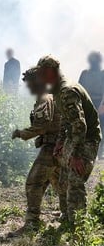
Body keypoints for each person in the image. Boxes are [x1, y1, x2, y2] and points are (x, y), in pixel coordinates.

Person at [37, 55, 101, 226]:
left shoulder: (66, 92)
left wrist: (77, 155)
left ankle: (78, 227)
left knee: (74, 179)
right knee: (63, 178)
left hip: (87, 139)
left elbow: (80, 125)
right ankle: (66, 217)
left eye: (42, 73)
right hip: (75, 137)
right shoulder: (59, 91)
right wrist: (60, 142)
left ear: (51, 72)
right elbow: (67, 121)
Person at [11, 67, 62, 230]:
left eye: (30, 83)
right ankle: (69, 216)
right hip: (58, 146)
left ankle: (32, 222)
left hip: (51, 148)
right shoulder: (49, 97)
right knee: (59, 183)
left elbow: (42, 125)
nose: (28, 87)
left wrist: (21, 133)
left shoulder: (44, 99)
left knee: (34, 183)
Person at [78, 51, 104, 158]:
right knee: (87, 127)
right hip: (87, 102)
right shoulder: (85, 73)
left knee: (101, 127)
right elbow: (79, 89)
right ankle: (87, 150)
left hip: (100, 103)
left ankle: (100, 151)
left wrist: (102, 105)